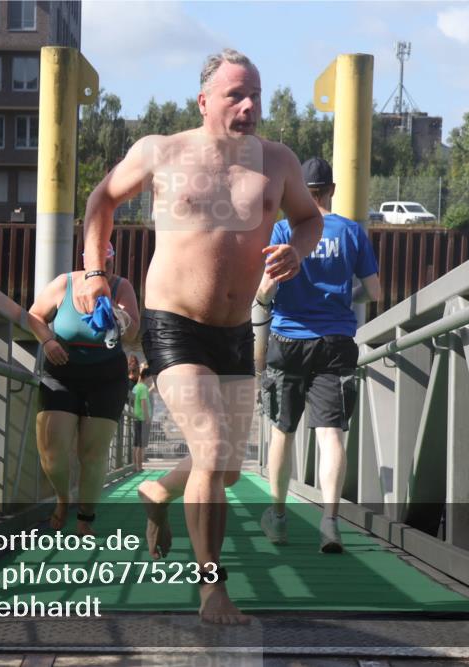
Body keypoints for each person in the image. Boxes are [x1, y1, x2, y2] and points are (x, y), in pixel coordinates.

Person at [75, 48, 322, 624]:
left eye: (256, 93)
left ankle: (159, 491)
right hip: (173, 324)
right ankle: (212, 587)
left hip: (235, 331)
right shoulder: (162, 151)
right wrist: (94, 273)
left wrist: (298, 249)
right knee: (211, 449)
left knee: (227, 468)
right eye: (237, 94)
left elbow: (309, 219)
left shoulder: (278, 163)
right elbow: (101, 200)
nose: (250, 105)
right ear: (204, 100)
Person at [255, 158, 381, 553]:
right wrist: (343, 296)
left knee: (283, 432)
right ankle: (330, 523)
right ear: (331, 189)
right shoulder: (352, 232)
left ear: (299, 192)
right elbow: (375, 293)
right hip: (336, 340)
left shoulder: (282, 230)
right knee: (331, 435)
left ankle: (277, 518)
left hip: (288, 339)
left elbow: (263, 293)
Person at [28, 242, 140, 536]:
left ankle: (85, 517)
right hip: (62, 372)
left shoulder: (121, 287)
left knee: (92, 453)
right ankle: (64, 499)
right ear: (86, 265)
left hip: (106, 376)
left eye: (109, 266)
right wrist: (48, 341)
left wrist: (116, 315)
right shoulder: (64, 283)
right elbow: (35, 315)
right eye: (98, 267)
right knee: (52, 452)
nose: (104, 272)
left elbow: (132, 333)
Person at [129, 364, 151, 471]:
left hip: (136, 416)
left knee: (136, 443)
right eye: (150, 377)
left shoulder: (136, 387)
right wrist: (147, 417)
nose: (151, 380)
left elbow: (133, 401)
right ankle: (140, 466)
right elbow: (144, 404)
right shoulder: (143, 388)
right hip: (142, 418)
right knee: (141, 445)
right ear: (146, 376)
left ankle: (135, 466)